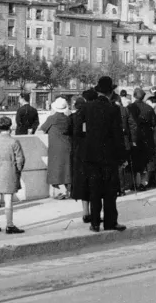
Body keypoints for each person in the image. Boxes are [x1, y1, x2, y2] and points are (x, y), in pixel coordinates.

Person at [73, 76, 127, 232]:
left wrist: (85, 143)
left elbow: (76, 130)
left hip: (90, 155)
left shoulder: (86, 107)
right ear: (111, 92)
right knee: (110, 191)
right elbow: (118, 135)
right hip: (109, 155)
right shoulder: (114, 109)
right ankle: (110, 222)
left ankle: (95, 223)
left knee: (94, 189)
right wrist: (121, 156)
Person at [0, 116, 26, 234]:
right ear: (10, 127)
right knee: (8, 199)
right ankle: (9, 225)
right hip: (10, 171)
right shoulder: (14, 142)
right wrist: (17, 170)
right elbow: (20, 159)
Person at [39, 97, 72, 199]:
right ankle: (68, 191)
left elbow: (42, 129)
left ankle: (63, 191)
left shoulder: (52, 118)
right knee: (67, 170)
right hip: (67, 146)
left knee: (56, 171)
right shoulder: (68, 119)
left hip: (56, 148)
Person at [128, 87, 156, 190]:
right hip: (146, 136)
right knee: (145, 161)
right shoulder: (149, 108)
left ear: (134, 95)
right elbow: (154, 122)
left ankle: (133, 183)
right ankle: (143, 183)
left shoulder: (129, 107)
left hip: (133, 136)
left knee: (133, 160)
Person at [70, 93, 91, 224]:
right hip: (91, 152)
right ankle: (92, 212)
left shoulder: (72, 118)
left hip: (78, 153)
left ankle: (85, 212)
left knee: (82, 183)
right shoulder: (91, 118)